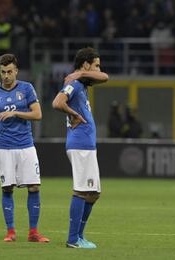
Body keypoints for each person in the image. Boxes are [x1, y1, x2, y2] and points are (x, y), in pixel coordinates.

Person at [0, 53, 49, 243]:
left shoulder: (26, 89)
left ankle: (33, 232)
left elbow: (38, 114)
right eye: (3, 72)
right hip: (4, 148)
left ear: (16, 71)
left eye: (9, 71)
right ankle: (10, 232)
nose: (6, 76)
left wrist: (16, 113)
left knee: (34, 187)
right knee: (7, 188)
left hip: (26, 146)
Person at [52, 47, 109, 248]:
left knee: (93, 193)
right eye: (96, 65)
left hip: (86, 145)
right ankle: (72, 239)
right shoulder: (74, 84)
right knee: (82, 192)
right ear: (86, 64)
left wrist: (84, 73)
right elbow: (57, 102)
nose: (99, 69)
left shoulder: (82, 83)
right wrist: (73, 114)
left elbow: (105, 77)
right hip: (80, 145)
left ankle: (79, 236)